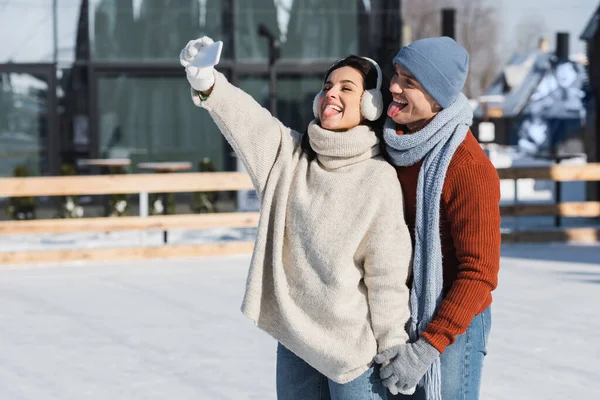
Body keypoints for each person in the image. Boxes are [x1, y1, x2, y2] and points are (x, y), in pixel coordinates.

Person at [179, 36, 413, 400]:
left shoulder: (377, 178)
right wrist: (208, 82)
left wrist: (392, 343)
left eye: (346, 88)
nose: (331, 93)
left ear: (370, 104)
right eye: (327, 86)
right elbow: (249, 122)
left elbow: (387, 274)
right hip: (296, 342)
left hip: (352, 355)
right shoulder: (291, 157)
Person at [374, 37, 501, 400]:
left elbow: (479, 274)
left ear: (437, 99)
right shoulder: (392, 145)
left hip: (454, 321)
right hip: (399, 313)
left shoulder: (468, 167)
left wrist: (427, 347)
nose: (394, 87)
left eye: (409, 82)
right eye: (396, 74)